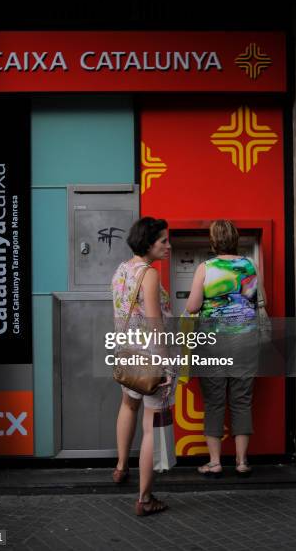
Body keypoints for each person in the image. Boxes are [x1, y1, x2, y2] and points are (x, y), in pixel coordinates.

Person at [111, 216, 176, 515]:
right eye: (163, 241)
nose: (168, 245)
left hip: (128, 355)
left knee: (128, 406)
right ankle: (145, 498)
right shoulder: (149, 274)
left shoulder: (122, 270)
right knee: (151, 428)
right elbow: (154, 324)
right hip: (150, 360)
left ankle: (121, 466)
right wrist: (163, 365)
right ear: (148, 244)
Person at [186, 219, 259, 476]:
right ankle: (241, 462)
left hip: (213, 344)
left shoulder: (206, 267)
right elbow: (257, 301)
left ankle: (215, 462)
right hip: (245, 342)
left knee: (214, 402)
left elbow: (193, 306)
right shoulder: (249, 265)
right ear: (236, 239)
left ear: (213, 241)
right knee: (242, 401)